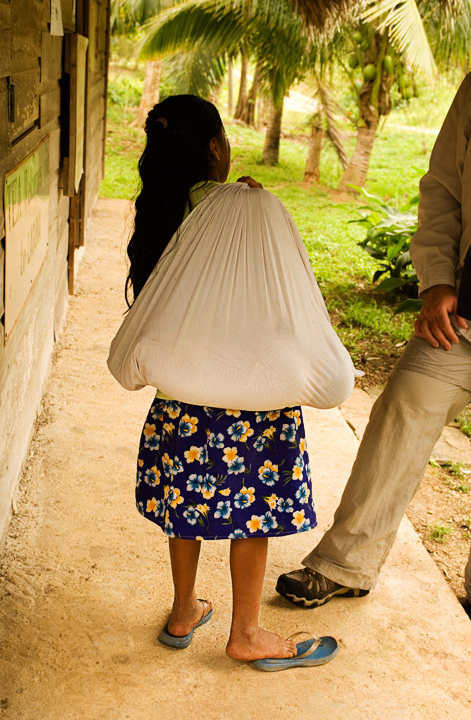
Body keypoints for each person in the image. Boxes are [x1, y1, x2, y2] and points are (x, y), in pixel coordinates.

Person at [123, 94, 342, 670]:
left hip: (180, 405)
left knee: (185, 510)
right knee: (257, 512)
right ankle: (246, 630)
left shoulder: (158, 212)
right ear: (217, 147)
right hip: (256, 401)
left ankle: (182, 611)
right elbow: (287, 299)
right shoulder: (252, 206)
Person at [276, 73, 471, 610]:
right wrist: (436, 280)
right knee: (403, 407)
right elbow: (444, 192)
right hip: (460, 322)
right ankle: (344, 565)